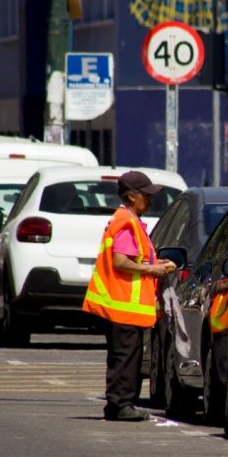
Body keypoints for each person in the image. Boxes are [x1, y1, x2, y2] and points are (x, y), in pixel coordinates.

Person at [82, 170, 176, 422]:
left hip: (124, 305)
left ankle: (117, 405)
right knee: (126, 356)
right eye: (146, 195)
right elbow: (120, 261)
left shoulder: (129, 220)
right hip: (122, 304)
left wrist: (157, 263)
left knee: (124, 355)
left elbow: (134, 258)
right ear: (133, 196)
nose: (151, 199)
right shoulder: (126, 221)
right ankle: (121, 404)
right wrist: (152, 269)